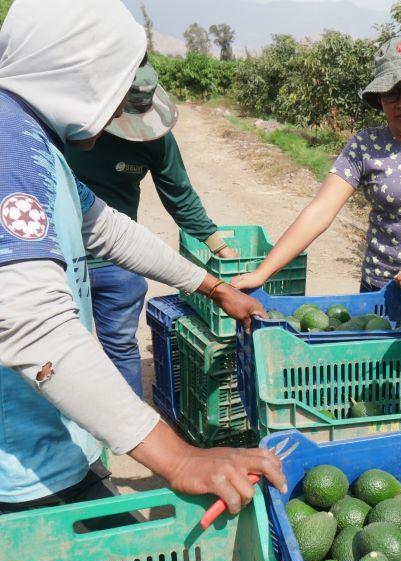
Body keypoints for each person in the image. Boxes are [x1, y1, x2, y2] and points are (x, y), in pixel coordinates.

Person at [0, 0, 284, 517]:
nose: (116, 114)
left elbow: (109, 230)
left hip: (59, 436)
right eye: (115, 89)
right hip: (22, 467)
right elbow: (29, 324)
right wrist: (177, 458)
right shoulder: (7, 145)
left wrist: (215, 287)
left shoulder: (35, 141)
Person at [232, 35, 401, 295]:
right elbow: (319, 212)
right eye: (391, 94)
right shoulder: (366, 144)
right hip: (384, 290)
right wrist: (262, 273)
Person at [65, 63, 236, 397]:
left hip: (120, 259)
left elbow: (180, 196)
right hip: (64, 261)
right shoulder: (65, 126)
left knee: (120, 347)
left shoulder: (156, 142)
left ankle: (128, 437)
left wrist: (220, 248)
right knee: (65, 352)